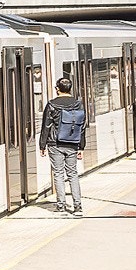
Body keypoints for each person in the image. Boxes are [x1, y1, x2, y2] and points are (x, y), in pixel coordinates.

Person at [39, 76, 87, 217]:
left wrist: (42, 145)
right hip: (72, 143)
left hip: (55, 144)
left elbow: (46, 126)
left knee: (59, 174)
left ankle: (61, 207)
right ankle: (78, 207)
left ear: (57, 89)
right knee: (72, 174)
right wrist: (81, 147)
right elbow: (81, 126)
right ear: (70, 89)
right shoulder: (78, 104)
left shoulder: (51, 104)